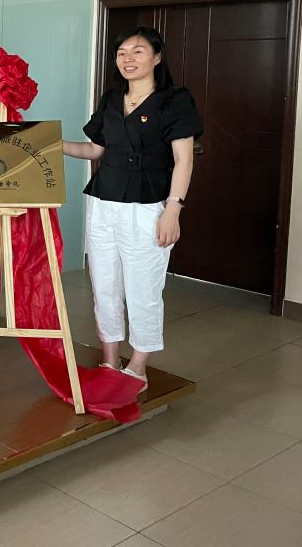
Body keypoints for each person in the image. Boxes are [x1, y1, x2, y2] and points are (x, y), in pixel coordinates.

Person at [63, 26, 203, 391]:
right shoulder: (112, 99)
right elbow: (95, 150)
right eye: (122, 52)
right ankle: (110, 358)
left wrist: (173, 209)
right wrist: (50, 144)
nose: (128, 59)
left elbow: (184, 161)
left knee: (143, 288)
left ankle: (138, 367)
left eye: (137, 51)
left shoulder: (174, 101)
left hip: (148, 206)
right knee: (104, 284)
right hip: (103, 202)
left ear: (157, 58)